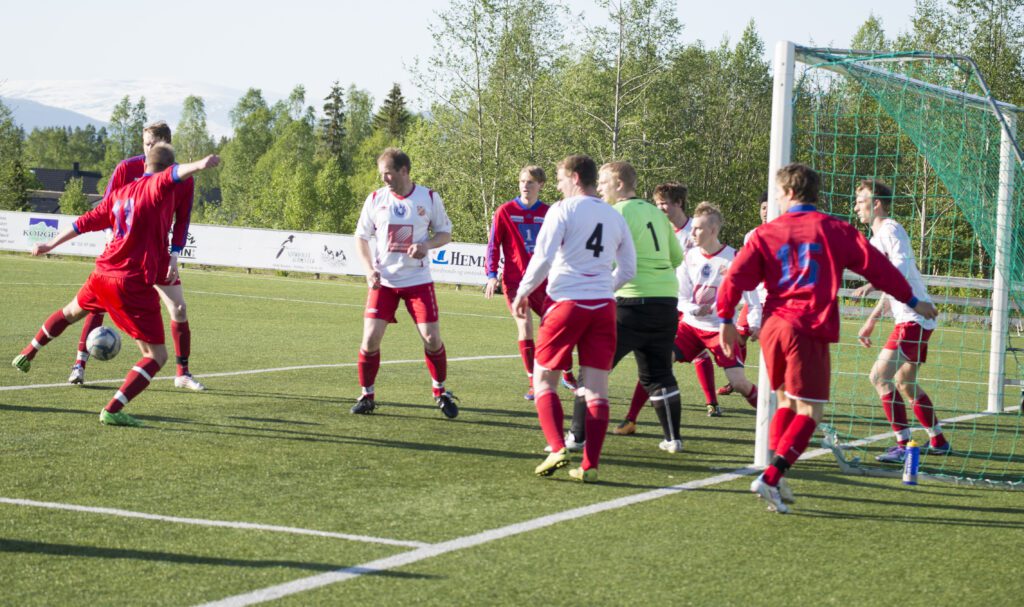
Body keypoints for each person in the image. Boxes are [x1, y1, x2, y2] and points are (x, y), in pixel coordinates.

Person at [717, 163, 937, 513]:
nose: (775, 198)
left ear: (789, 193)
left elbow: (734, 278)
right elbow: (880, 269)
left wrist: (726, 317)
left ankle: (778, 477)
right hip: (807, 328)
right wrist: (913, 300)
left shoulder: (765, 232)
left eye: (777, 192)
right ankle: (772, 477)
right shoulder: (836, 230)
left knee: (786, 403)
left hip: (774, 327)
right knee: (811, 411)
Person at [11, 145, 220, 426]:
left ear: (145, 163)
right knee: (156, 355)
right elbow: (174, 175)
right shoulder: (156, 187)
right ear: (164, 169)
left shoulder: (120, 194)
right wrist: (200, 164)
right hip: (130, 282)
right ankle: (113, 408)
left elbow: (84, 223)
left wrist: (50, 243)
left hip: (101, 274)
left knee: (70, 312)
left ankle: (28, 353)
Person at [515, 154, 636, 483]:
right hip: (603, 307)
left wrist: (523, 292)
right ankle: (590, 464)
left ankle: (557, 447)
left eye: (559, 178)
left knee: (543, 380)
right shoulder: (615, 216)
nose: (557, 185)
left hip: (567, 303)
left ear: (574, 177)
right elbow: (628, 269)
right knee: (597, 390)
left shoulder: (562, 210)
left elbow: (542, 258)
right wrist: (601, 287)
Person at [67, 121, 205, 391]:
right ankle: (79, 364)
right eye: (145, 144)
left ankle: (183, 373)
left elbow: (183, 218)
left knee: (178, 308)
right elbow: (106, 207)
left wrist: (175, 255)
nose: (147, 150)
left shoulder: (180, 178)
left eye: (152, 144)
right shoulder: (127, 168)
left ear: (166, 144)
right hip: (121, 253)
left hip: (156, 255)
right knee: (99, 303)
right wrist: (110, 237)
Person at [565, 162, 684, 453]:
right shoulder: (656, 213)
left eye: (604, 182)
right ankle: (673, 439)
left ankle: (577, 437)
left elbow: (602, 256)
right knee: (658, 374)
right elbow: (676, 257)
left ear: (619, 184)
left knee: (592, 370)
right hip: (665, 302)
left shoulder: (613, 212)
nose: (601, 187)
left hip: (629, 303)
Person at [351, 148, 459, 418]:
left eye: (387, 172)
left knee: (432, 339)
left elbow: (445, 233)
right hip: (384, 282)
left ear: (404, 170)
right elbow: (360, 238)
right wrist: (368, 270)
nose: (384, 178)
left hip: (418, 281)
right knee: (370, 339)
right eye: (381, 174)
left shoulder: (429, 197)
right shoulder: (376, 199)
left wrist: (427, 245)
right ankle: (367, 395)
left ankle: (440, 391)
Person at [852, 179, 949, 461]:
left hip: (914, 318)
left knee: (879, 377)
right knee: (905, 382)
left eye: (861, 200)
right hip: (912, 318)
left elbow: (901, 268)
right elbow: (893, 286)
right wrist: (871, 320)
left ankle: (903, 445)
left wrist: (871, 284)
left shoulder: (891, 228)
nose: (857, 206)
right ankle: (939, 441)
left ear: (877, 203)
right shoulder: (874, 239)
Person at [613, 182, 719, 434]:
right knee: (660, 361)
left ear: (678, 203)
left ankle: (711, 402)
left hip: (675, 299)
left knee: (661, 362)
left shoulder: (694, 229)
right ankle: (633, 418)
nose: (660, 208)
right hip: (669, 300)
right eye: (657, 203)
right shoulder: (659, 226)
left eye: (664, 203)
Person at [484, 165, 578, 400]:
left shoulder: (550, 212)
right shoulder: (505, 211)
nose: (525, 185)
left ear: (541, 185)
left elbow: (564, 245)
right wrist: (491, 275)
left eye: (531, 182)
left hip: (546, 282)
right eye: (522, 181)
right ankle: (533, 382)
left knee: (557, 328)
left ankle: (567, 373)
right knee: (525, 327)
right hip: (516, 282)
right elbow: (493, 246)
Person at [671, 202, 760, 417]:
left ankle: (774, 413)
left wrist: (756, 323)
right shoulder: (688, 257)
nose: (692, 232)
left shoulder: (734, 258)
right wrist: (693, 309)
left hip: (721, 330)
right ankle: (638, 417)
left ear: (713, 230)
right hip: (690, 327)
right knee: (659, 362)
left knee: (738, 383)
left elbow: (752, 297)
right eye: (692, 228)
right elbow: (680, 298)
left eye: (698, 228)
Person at [719, 191, 769, 397]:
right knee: (739, 338)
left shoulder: (785, 234)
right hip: (755, 296)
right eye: (763, 207)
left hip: (775, 298)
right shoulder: (752, 234)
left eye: (769, 207)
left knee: (771, 343)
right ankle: (738, 380)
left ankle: (776, 387)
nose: (765, 212)